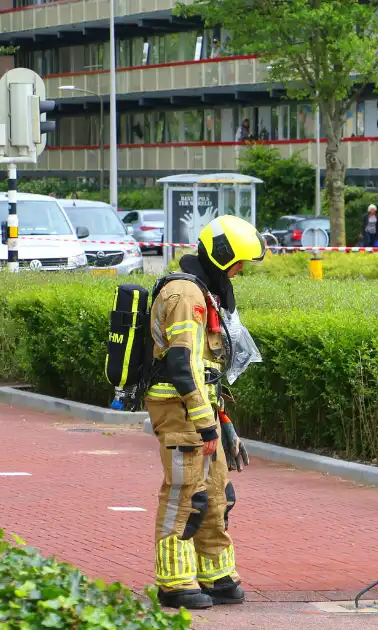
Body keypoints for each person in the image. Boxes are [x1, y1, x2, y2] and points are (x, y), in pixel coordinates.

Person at [145, 215, 266, 610]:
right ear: (221, 255)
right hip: (180, 413)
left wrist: (221, 421)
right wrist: (203, 421)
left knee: (217, 495)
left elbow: (207, 366)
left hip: (202, 411)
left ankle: (216, 575)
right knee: (185, 494)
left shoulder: (204, 290)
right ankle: (174, 581)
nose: (241, 270)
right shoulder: (185, 295)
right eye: (238, 262)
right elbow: (182, 365)